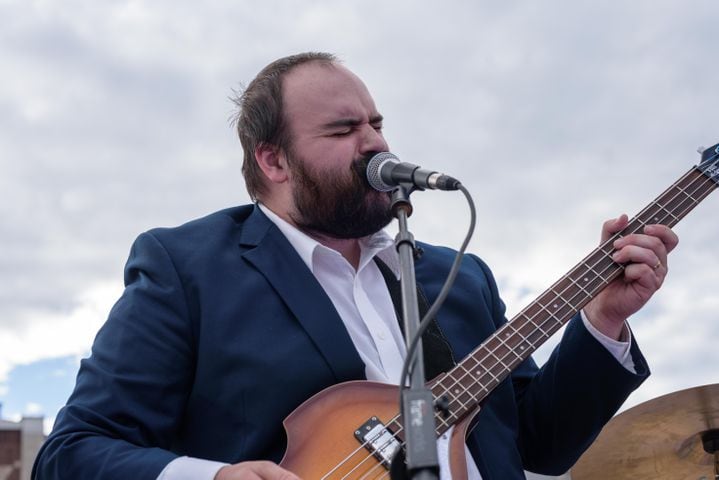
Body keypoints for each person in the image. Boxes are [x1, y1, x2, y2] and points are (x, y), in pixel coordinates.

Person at [32, 52, 678, 480]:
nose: (374, 143)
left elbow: (542, 444)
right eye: (342, 130)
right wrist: (214, 476)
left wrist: (601, 323)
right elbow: (73, 450)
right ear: (274, 161)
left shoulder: (458, 277)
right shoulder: (188, 267)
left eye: (375, 123)